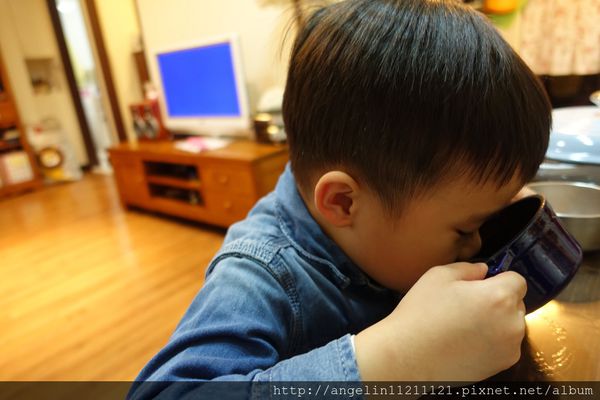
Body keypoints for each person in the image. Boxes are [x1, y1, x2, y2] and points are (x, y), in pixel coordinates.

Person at [128, 0, 551, 397]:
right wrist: (396, 360)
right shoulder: (262, 274)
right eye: (466, 228)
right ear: (344, 203)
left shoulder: (385, 209)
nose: (477, 244)